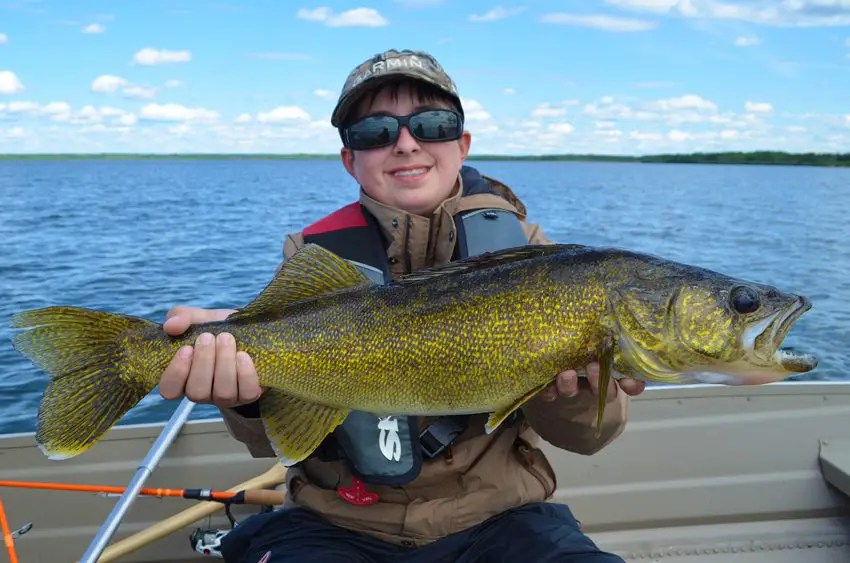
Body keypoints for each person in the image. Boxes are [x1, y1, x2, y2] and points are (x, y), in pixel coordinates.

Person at [158, 49, 646, 562]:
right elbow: (273, 435)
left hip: (503, 519)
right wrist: (245, 400)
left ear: (462, 144)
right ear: (351, 159)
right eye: (375, 132)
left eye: (432, 124)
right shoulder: (314, 259)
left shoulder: (536, 260)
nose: (407, 143)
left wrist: (574, 394)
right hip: (333, 523)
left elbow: (589, 438)